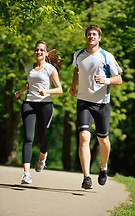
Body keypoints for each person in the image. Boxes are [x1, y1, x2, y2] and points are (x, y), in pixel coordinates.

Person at [69, 25, 122, 189]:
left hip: (101, 104)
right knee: (84, 137)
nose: (91, 37)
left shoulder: (107, 56)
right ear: (86, 37)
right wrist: (73, 85)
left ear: (99, 38)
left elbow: (118, 79)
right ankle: (86, 177)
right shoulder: (78, 55)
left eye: (94, 34)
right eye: (89, 34)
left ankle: (103, 166)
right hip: (83, 101)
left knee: (103, 140)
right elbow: (77, 70)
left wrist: (105, 80)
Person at [15, 40, 63, 184]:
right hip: (28, 103)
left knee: (41, 138)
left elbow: (59, 89)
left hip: (44, 105)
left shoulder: (50, 69)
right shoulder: (29, 67)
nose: (39, 52)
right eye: (37, 50)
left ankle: (42, 157)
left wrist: (46, 91)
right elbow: (29, 83)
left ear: (46, 53)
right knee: (28, 138)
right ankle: (26, 173)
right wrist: (21, 91)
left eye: (42, 50)